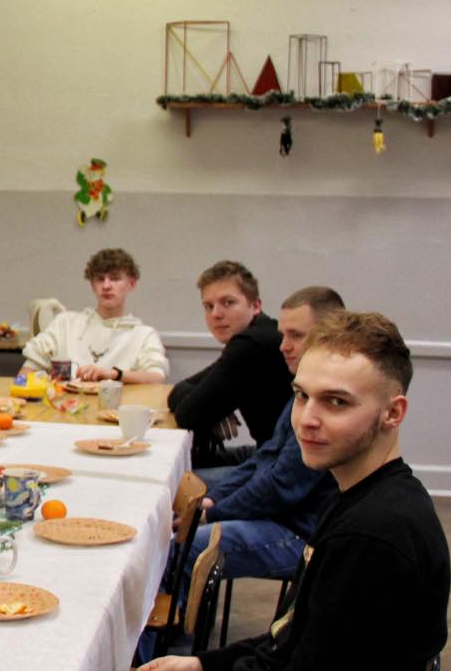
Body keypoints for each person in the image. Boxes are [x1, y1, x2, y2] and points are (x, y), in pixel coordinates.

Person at [57, 310, 450, 671]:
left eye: (336, 403)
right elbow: (295, 641)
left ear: (393, 413)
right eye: (302, 396)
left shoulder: (376, 538)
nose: (307, 418)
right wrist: (205, 667)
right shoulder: (361, 497)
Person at [184, 286, 345, 586]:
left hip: (301, 534)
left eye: (296, 335)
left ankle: (174, 617)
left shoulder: (327, 403)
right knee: (182, 519)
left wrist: (213, 513)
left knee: (181, 549)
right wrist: (214, 499)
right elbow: (264, 458)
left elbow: (281, 486)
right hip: (281, 516)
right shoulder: (303, 390)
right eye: (283, 335)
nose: (284, 346)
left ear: (329, 336)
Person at [167, 260, 293, 468]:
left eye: (228, 303)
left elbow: (187, 416)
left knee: (177, 476)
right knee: (180, 462)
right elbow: (180, 390)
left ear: (256, 305)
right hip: (268, 452)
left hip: (280, 466)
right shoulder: (256, 334)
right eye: (208, 306)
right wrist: (215, 408)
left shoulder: (252, 344)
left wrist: (210, 408)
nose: (216, 314)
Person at [19, 248, 168, 383]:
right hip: (64, 402)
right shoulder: (65, 323)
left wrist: (113, 374)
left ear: (132, 284)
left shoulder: (144, 335)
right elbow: (27, 372)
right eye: (100, 279)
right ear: (92, 285)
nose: (106, 286)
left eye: (115, 278)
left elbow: (156, 376)